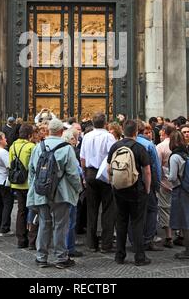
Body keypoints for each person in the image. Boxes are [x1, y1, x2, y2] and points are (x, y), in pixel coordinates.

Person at [27, 118, 81, 268]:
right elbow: (72, 173)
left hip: (41, 191)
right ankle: (61, 258)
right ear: (61, 131)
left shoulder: (38, 147)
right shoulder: (66, 148)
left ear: (49, 130)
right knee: (60, 225)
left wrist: (34, 189)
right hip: (61, 192)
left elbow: (32, 170)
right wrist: (78, 188)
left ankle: (41, 257)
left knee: (44, 223)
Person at [107, 119, 151, 266]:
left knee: (121, 222)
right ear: (136, 132)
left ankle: (119, 255)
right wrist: (147, 188)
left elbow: (109, 169)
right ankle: (140, 257)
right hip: (136, 190)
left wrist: (112, 183)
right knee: (137, 223)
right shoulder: (140, 148)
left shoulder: (115, 146)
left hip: (119, 190)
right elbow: (147, 171)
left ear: (124, 131)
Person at [80, 112, 116, 253]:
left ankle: (91, 242)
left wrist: (84, 174)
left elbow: (82, 158)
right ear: (105, 123)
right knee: (108, 208)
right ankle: (106, 243)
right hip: (105, 173)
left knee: (91, 208)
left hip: (90, 172)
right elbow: (113, 155)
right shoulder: (109, 136)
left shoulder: (87, 136)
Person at [168, 131, 189, 260]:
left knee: (185, 221)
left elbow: (173, 176)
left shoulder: (174, 157)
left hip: (180, 190)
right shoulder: (187, 154)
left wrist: (166, 176)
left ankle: (188, 252)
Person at [136, 120, 162, 252]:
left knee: (133, 212)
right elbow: (155, 168)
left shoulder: (122, 143)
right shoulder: (149, 145)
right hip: (146, 182)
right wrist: (156, 185)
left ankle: (135, 239)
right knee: (151, 210)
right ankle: (148, 239)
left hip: (128, 183)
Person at [9, 123, 35, 248]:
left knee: (21, 210)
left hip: (17, 183)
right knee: (32, 211)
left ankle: (21, 239)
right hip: (29, 183)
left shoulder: (13, 146)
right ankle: (31, 239)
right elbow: (33, 165)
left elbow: (10, 164)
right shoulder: (31, 146)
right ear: (30, 134)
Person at [63, 128, 84, 258]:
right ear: (70, 139)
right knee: (70, 220)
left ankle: (60, 246)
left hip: (57, 190)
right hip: (69, 190)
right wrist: (79, 187)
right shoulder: (69, 151)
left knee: (60, 221)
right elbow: (76, 172)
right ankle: (69, 248)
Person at [0, 132, 14, 236]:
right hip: (3, 179)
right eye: (4, 138)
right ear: (0, 140)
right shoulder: (3, 152)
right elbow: (9, 166)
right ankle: (4, 228)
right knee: (7, 204)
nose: (6, 140)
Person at [156, 123, 175, 248]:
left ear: (163, 131)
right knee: (176, 208)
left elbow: (157, 166)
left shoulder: (161, 146)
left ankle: (169, 236)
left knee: (165, 208)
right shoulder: (178, 145)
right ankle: (179, 233)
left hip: (164, 182)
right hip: (178, 182)